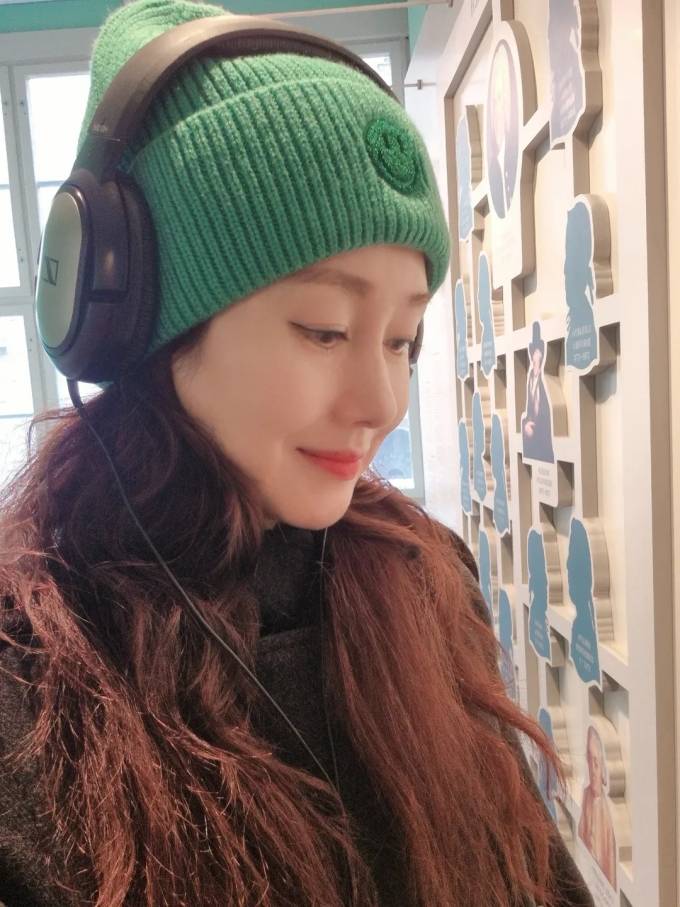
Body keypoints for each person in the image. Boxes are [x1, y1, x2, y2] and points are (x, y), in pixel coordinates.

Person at [0, 2, 593, 906]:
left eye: (402, 340)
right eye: (324, 329)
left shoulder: (426, 575)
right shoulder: (24, 676)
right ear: (142, 323)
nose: (382, 403)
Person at [578, 727, 617, 889]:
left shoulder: (609, 815)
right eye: (589, 761)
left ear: (604, 768)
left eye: (596, 763)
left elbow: (612, 878)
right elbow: (580, 842)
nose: (593, 770)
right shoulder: (586, 796)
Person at [522, 321, 555, 463]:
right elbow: (529, 407)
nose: (536, 355)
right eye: (534, 352)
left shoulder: (545, 377)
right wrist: (527, 424)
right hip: (533, 435)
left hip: (544, 434)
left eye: (539, 351)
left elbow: (547, 409)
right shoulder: (530, 376)